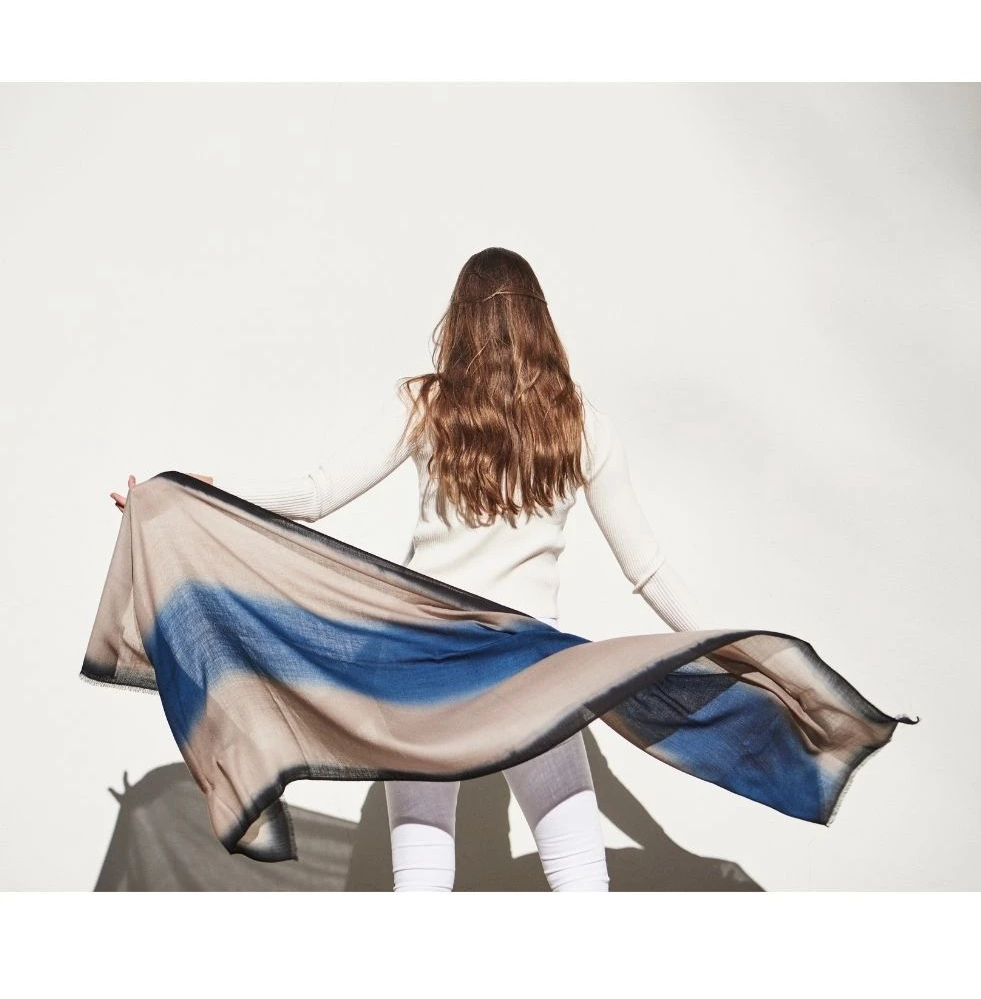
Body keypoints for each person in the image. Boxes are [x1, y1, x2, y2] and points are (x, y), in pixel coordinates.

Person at [110, 246, 707, 892]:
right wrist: (727, 649)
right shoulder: (582, 426)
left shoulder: (429, 404)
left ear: (461, 319)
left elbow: (315, 495)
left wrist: (201, 489)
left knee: (421, 878)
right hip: (529, 667)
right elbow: (647, 567)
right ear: (541, 321)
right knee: (580, 875)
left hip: (422, 660)